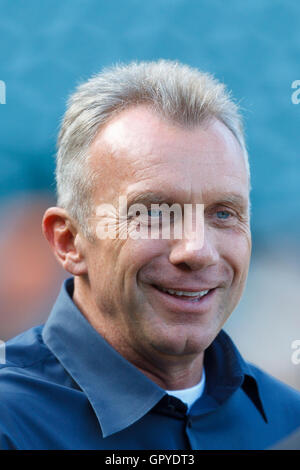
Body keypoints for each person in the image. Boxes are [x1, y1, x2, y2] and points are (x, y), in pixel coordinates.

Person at [0, 60, 299, 450]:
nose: (198, 250)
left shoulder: (285, 421)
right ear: (69, 242)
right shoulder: (11, 423)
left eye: (224, 213)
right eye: (153, 214)